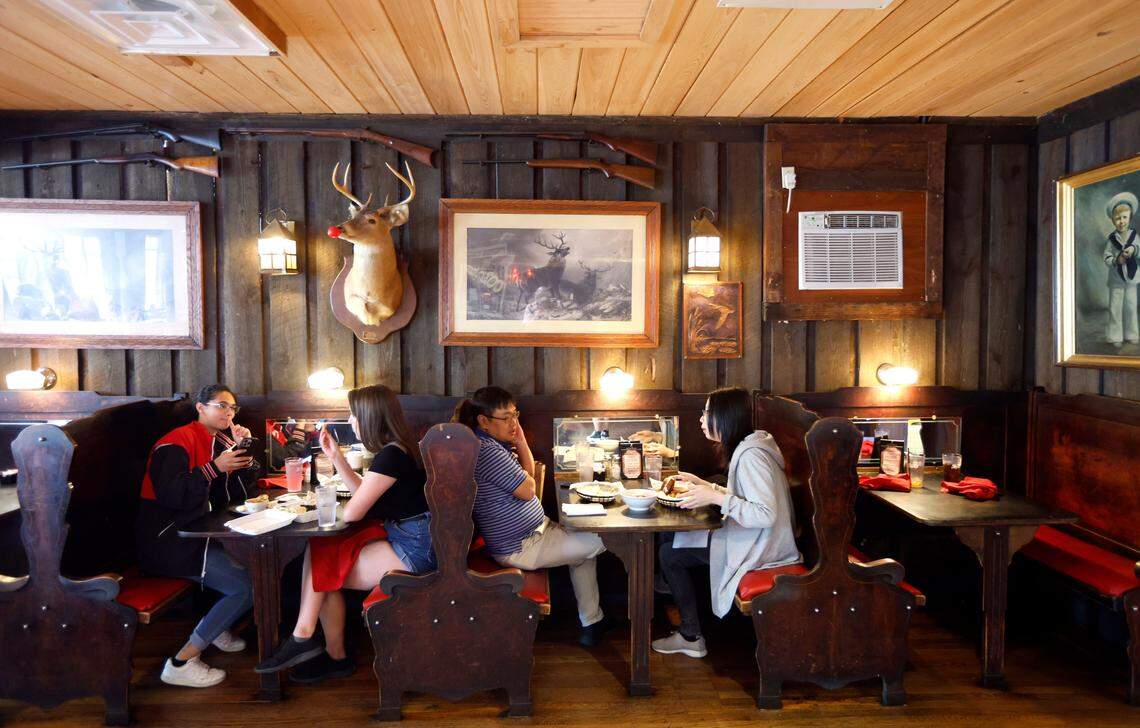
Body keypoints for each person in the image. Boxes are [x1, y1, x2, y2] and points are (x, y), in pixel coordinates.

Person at [255, 384, 435, 682]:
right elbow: (363, 494)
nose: (351, 421)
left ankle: (307, 639)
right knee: (321, 552)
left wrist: (332, 503)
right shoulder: (397, 449)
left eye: (354, 415)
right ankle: (319, 646)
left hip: (415, 547)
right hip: (412, 536)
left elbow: (353, 512)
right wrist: (336, 456)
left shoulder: (391, 456)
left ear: (370, 416)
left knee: (325, 569)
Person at [455, 386, 614, 646]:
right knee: (618, 537)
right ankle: (600, 619)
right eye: (505, 417)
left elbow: (527, 478)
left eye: (515, 414)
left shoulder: (491, 443)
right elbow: (529, 490)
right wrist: (518, 442)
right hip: (523, 547)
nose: (513, 423)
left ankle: (592, 624)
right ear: (484, 421)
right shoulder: (488, 451)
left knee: (584, 556)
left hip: (536, 534)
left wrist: (520, 440)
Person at [652, 387, 801, 658]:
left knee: (669, 554)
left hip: (762, 549)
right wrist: (706, 486)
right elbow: (747, 497)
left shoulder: (752, 456)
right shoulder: (750, 446)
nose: (701, 419)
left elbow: (765, 514)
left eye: (707, 412)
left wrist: (714, 497)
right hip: (754, 539)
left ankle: (691, 636)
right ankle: (682, 602)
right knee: (671, 540)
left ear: (726, 417)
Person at [135, 384, 258, 688]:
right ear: (200, 408)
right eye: (220, 406)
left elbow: (236, 490)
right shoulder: (176, 442)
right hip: (168, 540)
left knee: (256, 566)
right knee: (247, 586)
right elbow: (171, 494)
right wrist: (214, 467)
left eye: (232, 408)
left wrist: (244, 451)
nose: (228, 412)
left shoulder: (217, 441)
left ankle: (216, 626)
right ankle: (181, 661)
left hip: (198, 530)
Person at [1102, 191, 1140, 347]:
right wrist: (1116, 260)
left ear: (1130, 218)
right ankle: (1115, 336)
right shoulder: (1111, 239)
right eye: (1118, 218)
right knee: (1115, 308)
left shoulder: (1134, 236)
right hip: (1116, 279)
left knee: (1131, 307)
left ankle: (1131, 334)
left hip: (1131, 278)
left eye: (1124, 217)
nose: (1121, 221)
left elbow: (1139, 248)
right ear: (1113, 220)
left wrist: (1133, 249)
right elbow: (1106, 256)